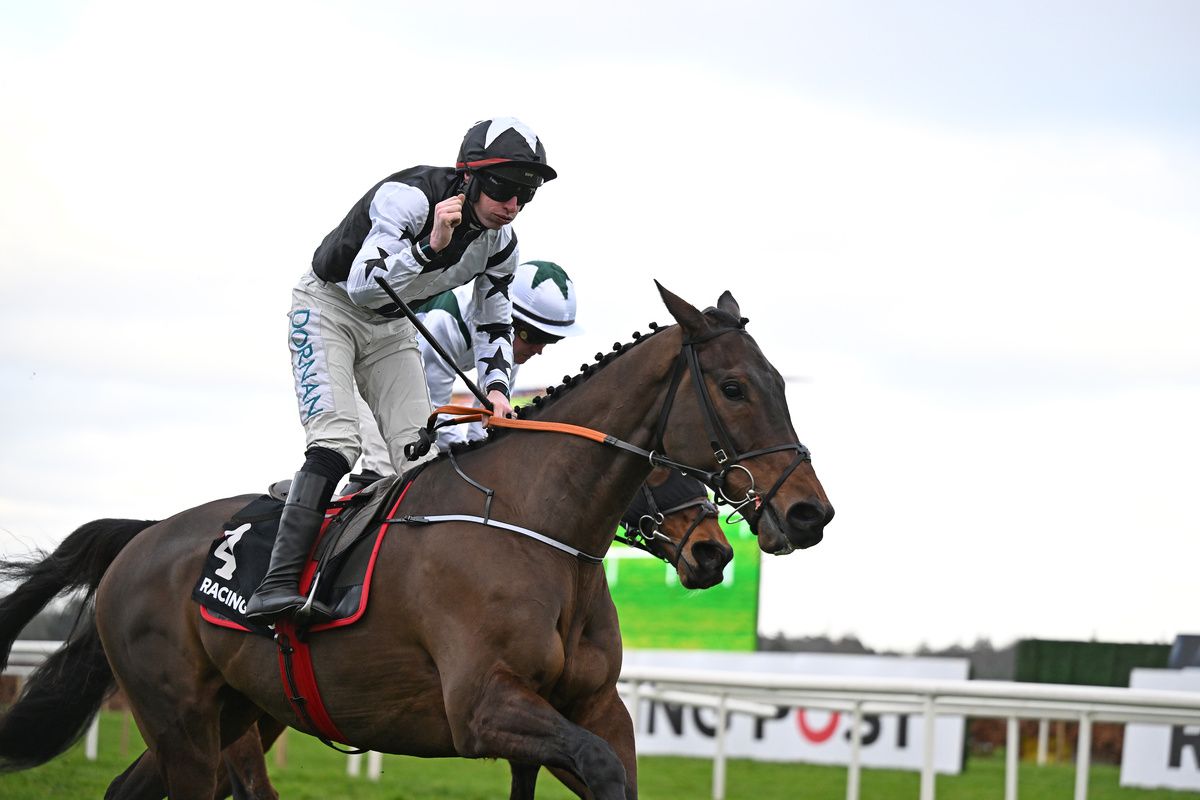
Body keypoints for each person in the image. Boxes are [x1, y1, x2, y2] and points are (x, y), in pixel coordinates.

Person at [246, 117, 557, 624]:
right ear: (471, 176)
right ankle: (275, 583)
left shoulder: (501, 245)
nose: (512, 206)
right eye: (504, 189)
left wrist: (497, 389)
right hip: (330, 308)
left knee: (419, 458)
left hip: (392, 329)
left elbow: (494, 319)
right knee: (337, 444)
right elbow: (365, 287)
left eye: (525, 195)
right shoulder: (408, 199)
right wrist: (431, 246)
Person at [350, 260, 581, 486]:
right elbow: (430, 412)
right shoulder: (445, 323)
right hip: (373, 365)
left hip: (410, 383)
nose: (539, 350)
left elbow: (486, 421)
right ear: (508, 321)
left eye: (551, 340)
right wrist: (468, 460)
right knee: (387, 470)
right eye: (535, 338)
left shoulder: (507, 348)